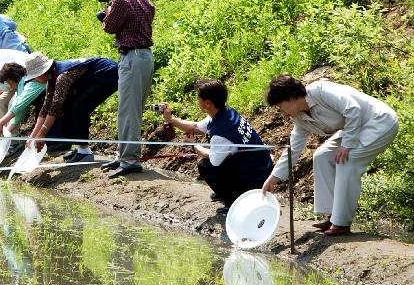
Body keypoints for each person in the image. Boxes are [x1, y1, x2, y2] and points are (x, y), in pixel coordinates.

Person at [261, 75, 399, 236]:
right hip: (354, 129)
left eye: (280, 105)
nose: (281, 112)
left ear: (291, 97)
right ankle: (333, 214)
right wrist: (274, 177)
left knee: (347, 160)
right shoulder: (300, 118)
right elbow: (294, 147)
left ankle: (341, 223)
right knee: (322, 156)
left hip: (379, 122)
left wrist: (347, 144)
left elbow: (352, 108)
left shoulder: (320, 91)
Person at [160, 79, 273, 213]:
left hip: (256, 178)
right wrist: (171, 120)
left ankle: (233, 200)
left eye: (198, 98)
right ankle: (227, 191)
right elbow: (195, 127)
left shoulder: (221, 134)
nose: (197, 101)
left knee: (206, 166)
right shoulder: (226, 112)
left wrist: (194, 145)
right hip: (260, 166)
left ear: (207, 103)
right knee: (217, 162)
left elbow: (213, 159)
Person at [99, 0, 155, 179]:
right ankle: (124, 154)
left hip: (132, 57)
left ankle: (129, 160)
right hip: (144, 57)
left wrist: (105, 15)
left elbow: (109, 27)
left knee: (127, 110)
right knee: (132, 109)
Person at [13, 52, 118, 162]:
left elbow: (55, 108)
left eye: (34, 77)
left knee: (79, 107)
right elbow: (46, 107)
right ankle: (79, 148)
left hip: (108, 73)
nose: (35, 80)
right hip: (95, 77)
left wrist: (41, 135)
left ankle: (84, 151)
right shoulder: (52, 78)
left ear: (41, 73)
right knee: (71, 106)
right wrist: (33, 136)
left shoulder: (62, 77)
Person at [0, 62, 46, 137]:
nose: (12, 88)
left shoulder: (31, 83)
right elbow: (20, 110)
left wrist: (0, 123)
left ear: (15, 78)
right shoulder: (22, 84)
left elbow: (19, 106)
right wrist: (7, 131)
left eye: (10, 83)